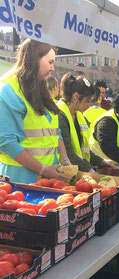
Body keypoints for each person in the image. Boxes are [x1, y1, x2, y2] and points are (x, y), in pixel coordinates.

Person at [0, 38, 70, 184]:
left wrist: (65, 160)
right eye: (50, 62)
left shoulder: (40, 87)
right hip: (20, 181)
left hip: (48, 179)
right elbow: (6, 142)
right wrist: (43, 169)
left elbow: (55, 132)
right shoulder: (8, 90)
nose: (53, 69)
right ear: (33, 58)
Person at [58, 73, 113, 173]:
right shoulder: (60, 116)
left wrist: (101, 161)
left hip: (77, 172)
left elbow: (84, 150)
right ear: (76, 96)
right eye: (87, 101)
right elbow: (67, 152)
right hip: (64, 173)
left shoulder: (79, 115)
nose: (88, 105)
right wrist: (89, 170)